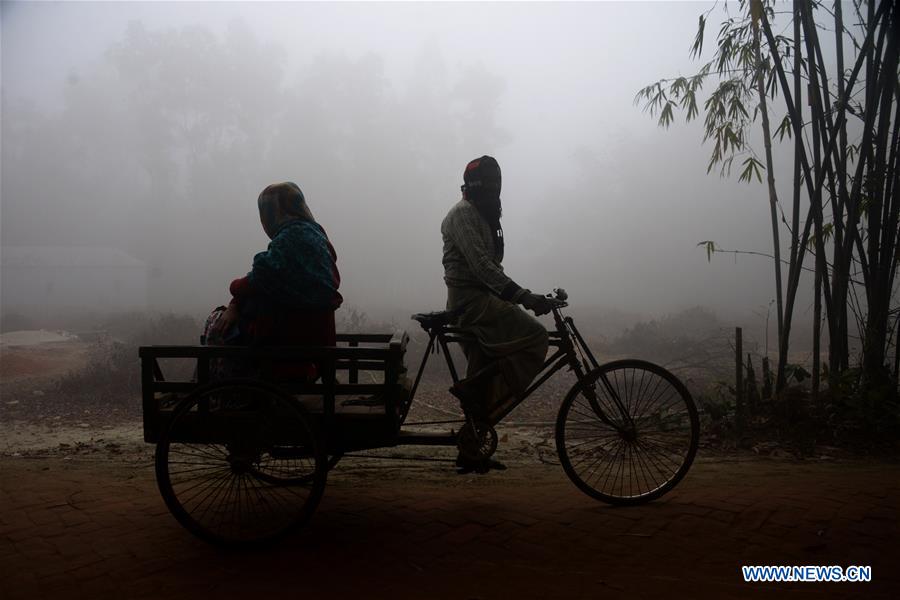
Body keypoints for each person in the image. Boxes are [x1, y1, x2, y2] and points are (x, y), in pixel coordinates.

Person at [441, 155, 558, 473]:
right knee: (535, 336)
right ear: (474, 187)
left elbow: (493, 267)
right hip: (471, 304)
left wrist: (519, 295)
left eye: (497, 187)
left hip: (486, 301)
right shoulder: (463, 215)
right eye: (489, 187)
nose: (494, 193)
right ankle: (475, 398)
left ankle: (473, 447)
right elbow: (481, 267)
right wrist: (522, 297)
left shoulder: (486, 216)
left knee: (488, 364)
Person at [204, 181, 342, 381]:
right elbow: (271, 281)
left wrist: (234, 289)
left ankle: (225, 389)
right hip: (314, 337)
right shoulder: (318, 238)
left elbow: (258, 280)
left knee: (217, 321)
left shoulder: (288, 240)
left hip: (282, 336)